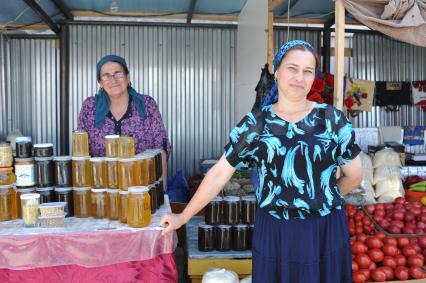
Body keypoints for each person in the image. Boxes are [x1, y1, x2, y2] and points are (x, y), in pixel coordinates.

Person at [160, 40, 362, 282]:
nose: (299, 77)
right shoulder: (257, 123)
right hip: (275, 232)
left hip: (324, 231)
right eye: (292, 68)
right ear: (276, 72)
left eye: (307, 71)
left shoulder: (332, 120)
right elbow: (219, 173)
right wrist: (182, 217)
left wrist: (320, 199)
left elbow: (355, 175)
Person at [77, 55, 171, 183]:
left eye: (118, 73)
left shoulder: (147, 104)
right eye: (106, 76)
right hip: (102, 188)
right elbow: (81, 152)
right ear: (100, 83)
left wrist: (161, 191)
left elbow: (161, 149)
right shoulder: (89, 107)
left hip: (141, 187)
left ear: (128, 77)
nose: (113, 79)